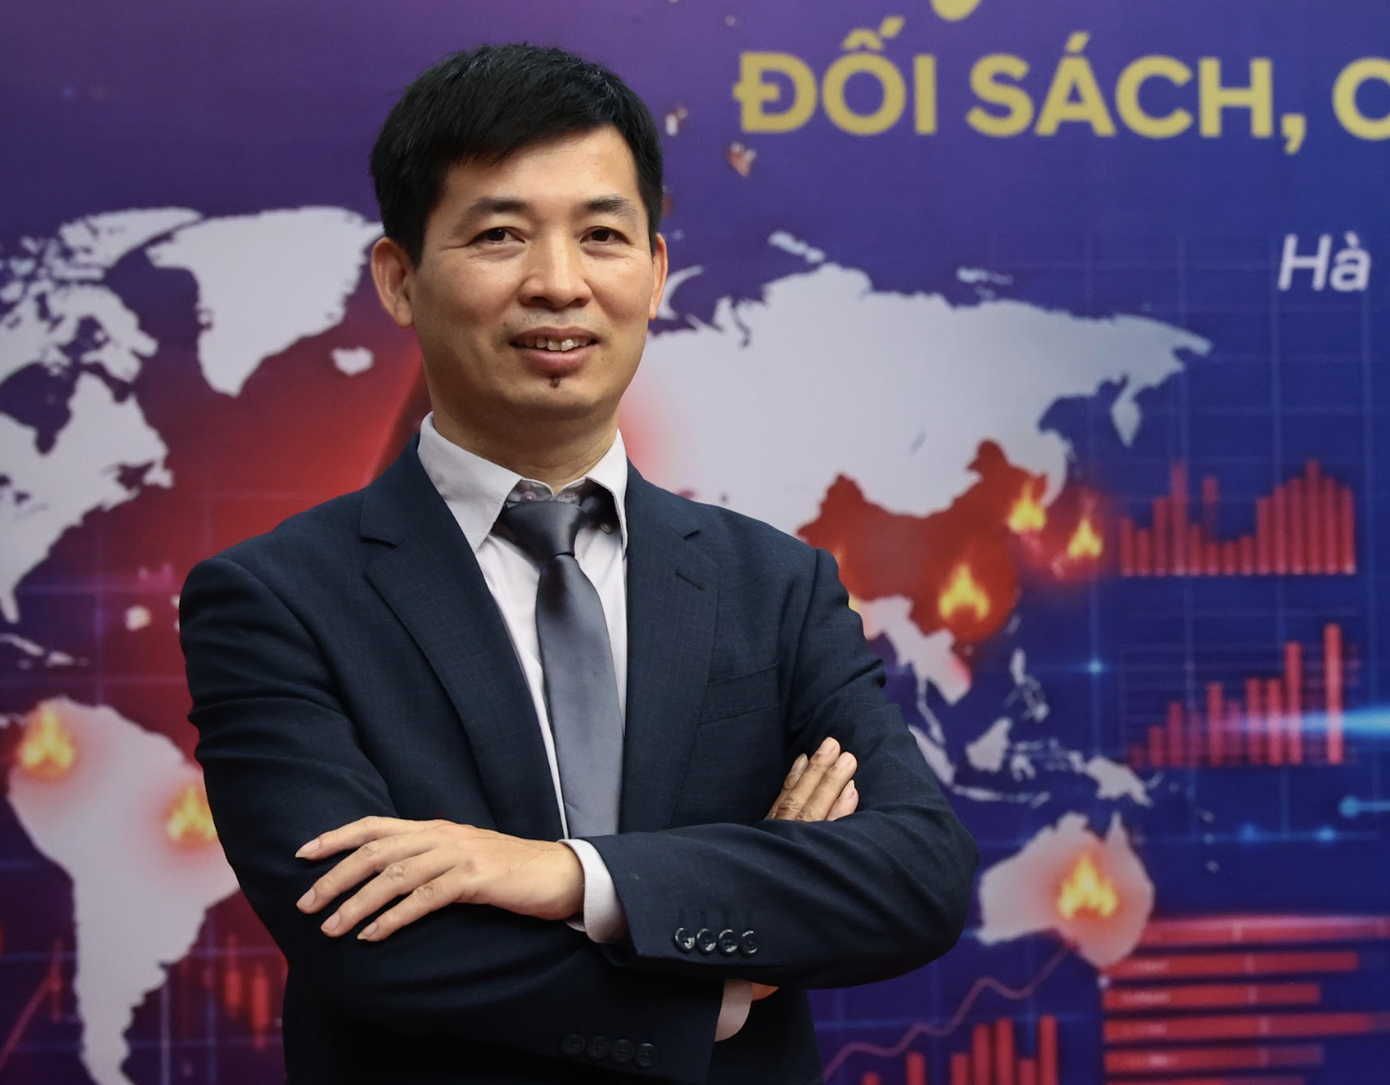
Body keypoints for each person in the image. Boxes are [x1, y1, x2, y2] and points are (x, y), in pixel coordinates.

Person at [180, 42, 977, 1085]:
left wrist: (565, 875)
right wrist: (724, 976)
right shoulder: (276, 599)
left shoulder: (776, 586)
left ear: (654, 272)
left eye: (602, 235)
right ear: (400, 279)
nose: (558, 284)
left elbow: (914, 875)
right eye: (500, 235)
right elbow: (366, 937)